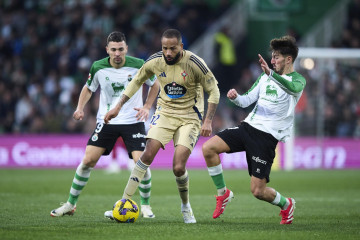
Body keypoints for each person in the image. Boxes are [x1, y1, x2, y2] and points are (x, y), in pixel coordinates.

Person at [103, 29, 220, 223]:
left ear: (181, 47)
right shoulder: (154, 61)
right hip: (165, 113)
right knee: (146, 154)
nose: (168, 53)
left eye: (172, 48)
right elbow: (137, 81)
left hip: (190, 117)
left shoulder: (194, 63)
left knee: (178, 166)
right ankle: (124, 202)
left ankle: (185, 206)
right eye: (164, 48)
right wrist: (118, 106)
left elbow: (214, 91)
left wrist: (207, 120)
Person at [50, 31, 160, 219]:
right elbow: (88, 88)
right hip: (106, 121)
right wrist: (79, 108)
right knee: (87, 161)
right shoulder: (98, 67)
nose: (117, 53)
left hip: (133, 121)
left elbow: (155, 85)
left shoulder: (139, 65)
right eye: (113, 50)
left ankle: (146, 205)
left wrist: (147, 106)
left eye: (121, 49)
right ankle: (70, 204)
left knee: (141, 163)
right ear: (107, 50)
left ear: (126, 49)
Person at [202, 35, 306, 224]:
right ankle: (223, 193)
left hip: (266, 139)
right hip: (247, 128)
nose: (272, 61)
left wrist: (271, 74)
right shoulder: (264, 78)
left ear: (288, 59)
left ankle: (286, 204)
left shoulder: (297, 80)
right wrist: (235, 97)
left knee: (258, 191)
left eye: (276, 57)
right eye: (272, 57)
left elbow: (291, 88)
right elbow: (246, 100)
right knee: (208, 148)